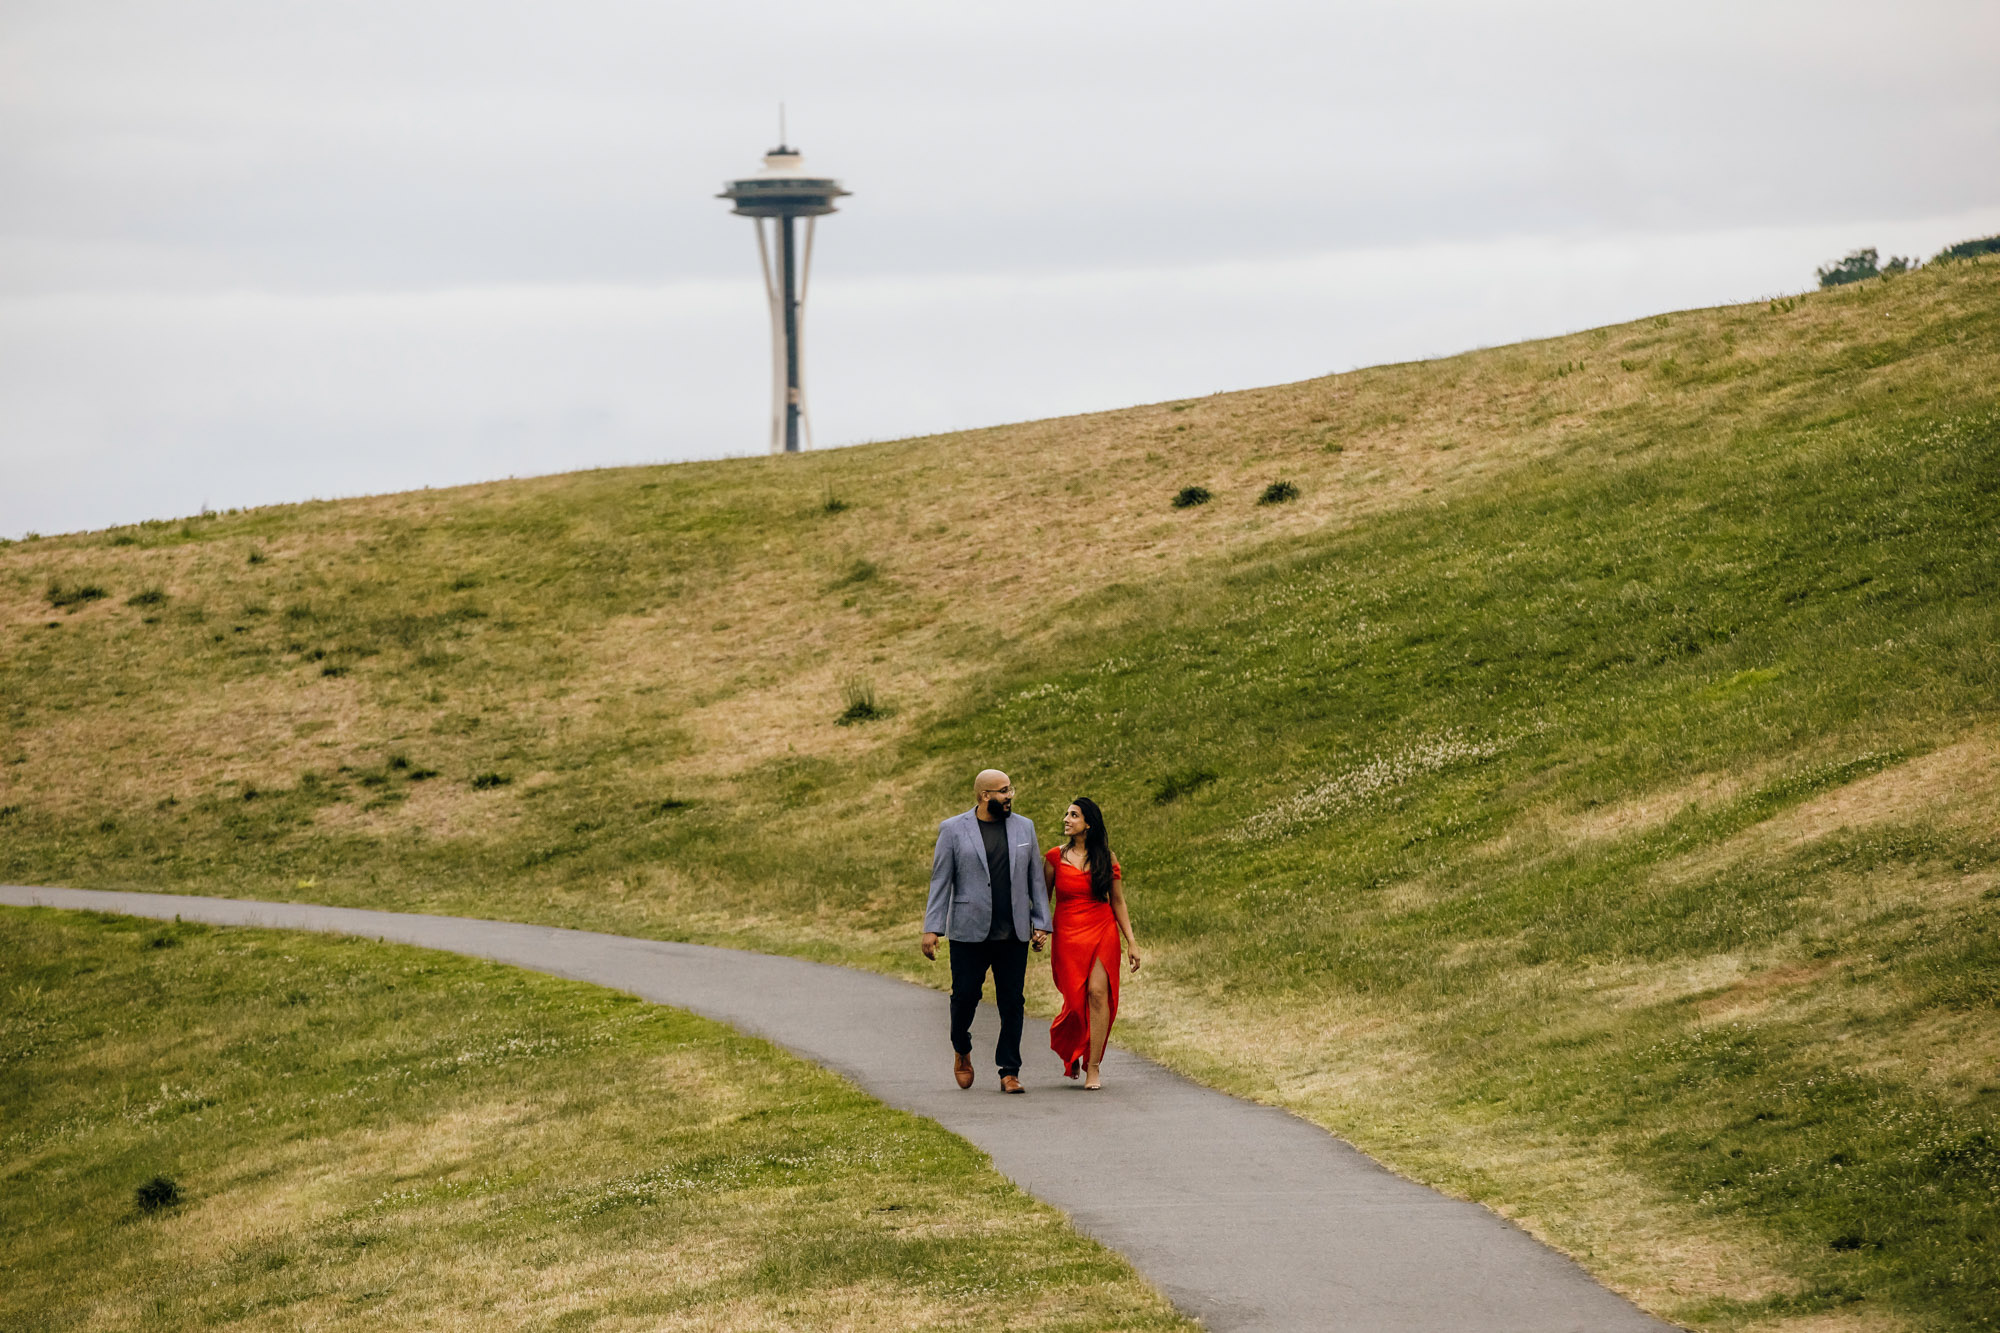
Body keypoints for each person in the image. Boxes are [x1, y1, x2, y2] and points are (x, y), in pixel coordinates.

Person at [922, 769, 1051, 1093]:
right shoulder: (953, 830)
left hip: (1013, 933)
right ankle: (962, 1048)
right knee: (965, 998)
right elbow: (941, 880)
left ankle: (1009, 1070)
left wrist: (1041, 924)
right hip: (969, 932)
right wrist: (932, 928)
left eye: (1010, 790)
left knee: (1012, 1002)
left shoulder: (1025, 827)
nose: (1009, 796)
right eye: (1003, 791)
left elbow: (1035, 879)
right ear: (984, 796)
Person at [1044, 797, 1141, 1090]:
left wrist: (1131, 942)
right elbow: (1040, 901)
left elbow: (1118, 901)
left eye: (1073, 815)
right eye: (1066, 814)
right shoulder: (1053, 858)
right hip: (1067, 934)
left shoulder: (1106, 858)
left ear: (1088, 824)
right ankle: (1073, 1046)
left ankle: (1093, 1066)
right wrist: (1038, 932)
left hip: (1101, 929)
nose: (1066, 819)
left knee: (1098, 994)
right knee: (1074, 1004)